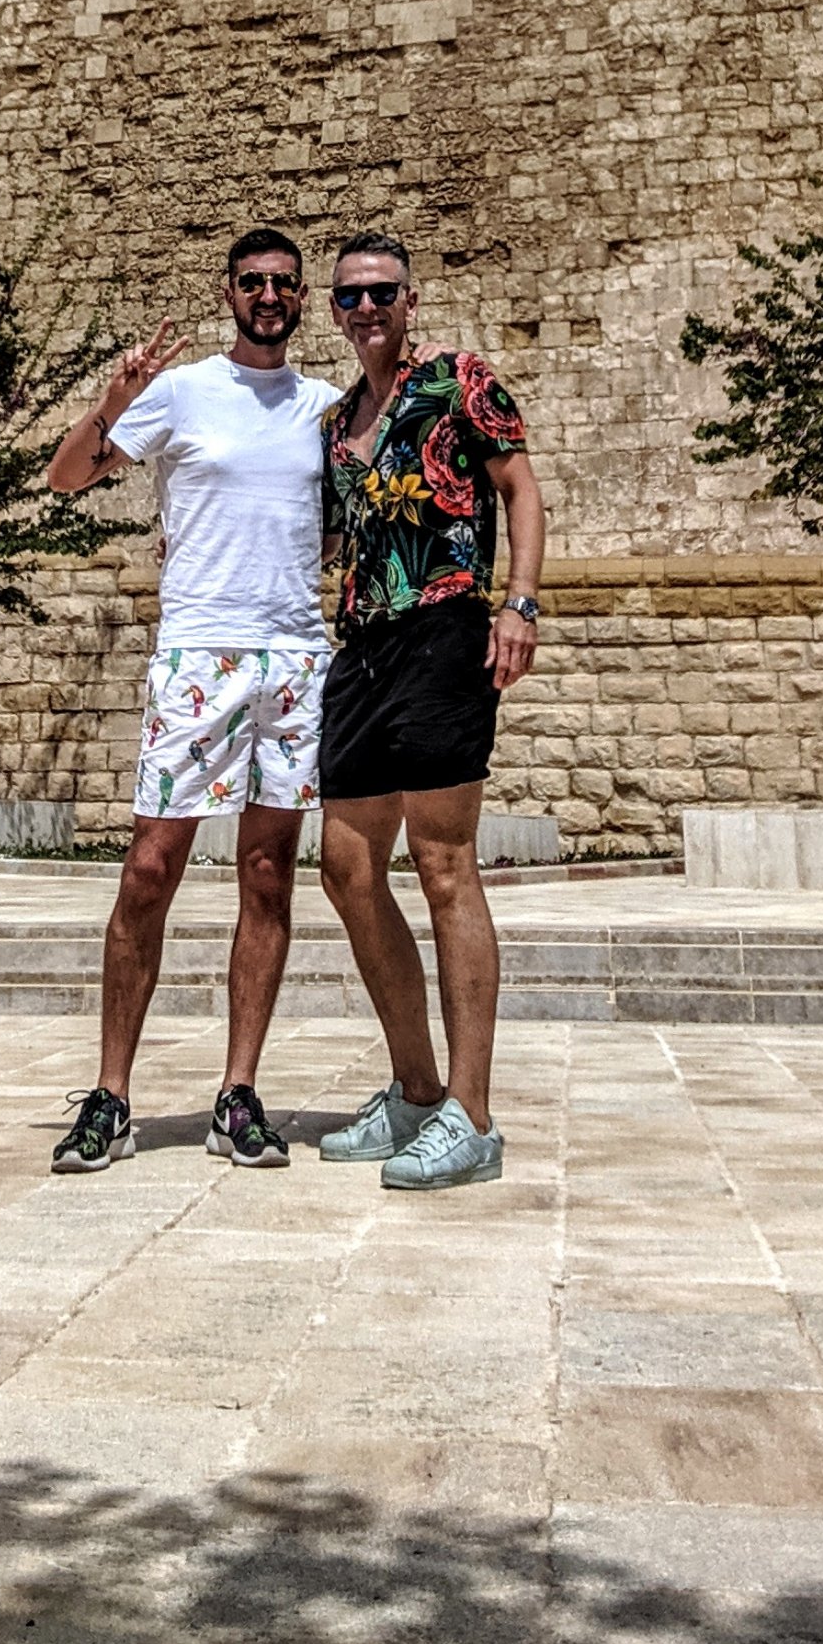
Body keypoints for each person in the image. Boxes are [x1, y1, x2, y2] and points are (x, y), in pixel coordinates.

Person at [43, 227, 339, 1174]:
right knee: (148, 868)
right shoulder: (180, 391)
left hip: (292, 659)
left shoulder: (327, 409)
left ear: (302, 298)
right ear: (229, 292)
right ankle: (111, 1096)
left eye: (283, 283)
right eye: (252, 282)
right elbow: (66, 475)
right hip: (199, 654)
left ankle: (238, 1094)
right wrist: (114, 399)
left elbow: (334, 527)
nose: (267, 296)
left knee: (267, 875)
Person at [315, 229, 546, 1192]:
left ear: (411, 301)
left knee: (445, 865)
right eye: (351, 296)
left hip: (445, 628)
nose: (367, 308)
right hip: (362, 646)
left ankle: (472, 1115)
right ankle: (415, 1091)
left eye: (383, 293)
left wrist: (520, 603)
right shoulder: (338, 422)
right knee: (346, 869)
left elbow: (519, 489)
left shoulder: (459, 380)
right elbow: (329, 536)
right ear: (336, 311)